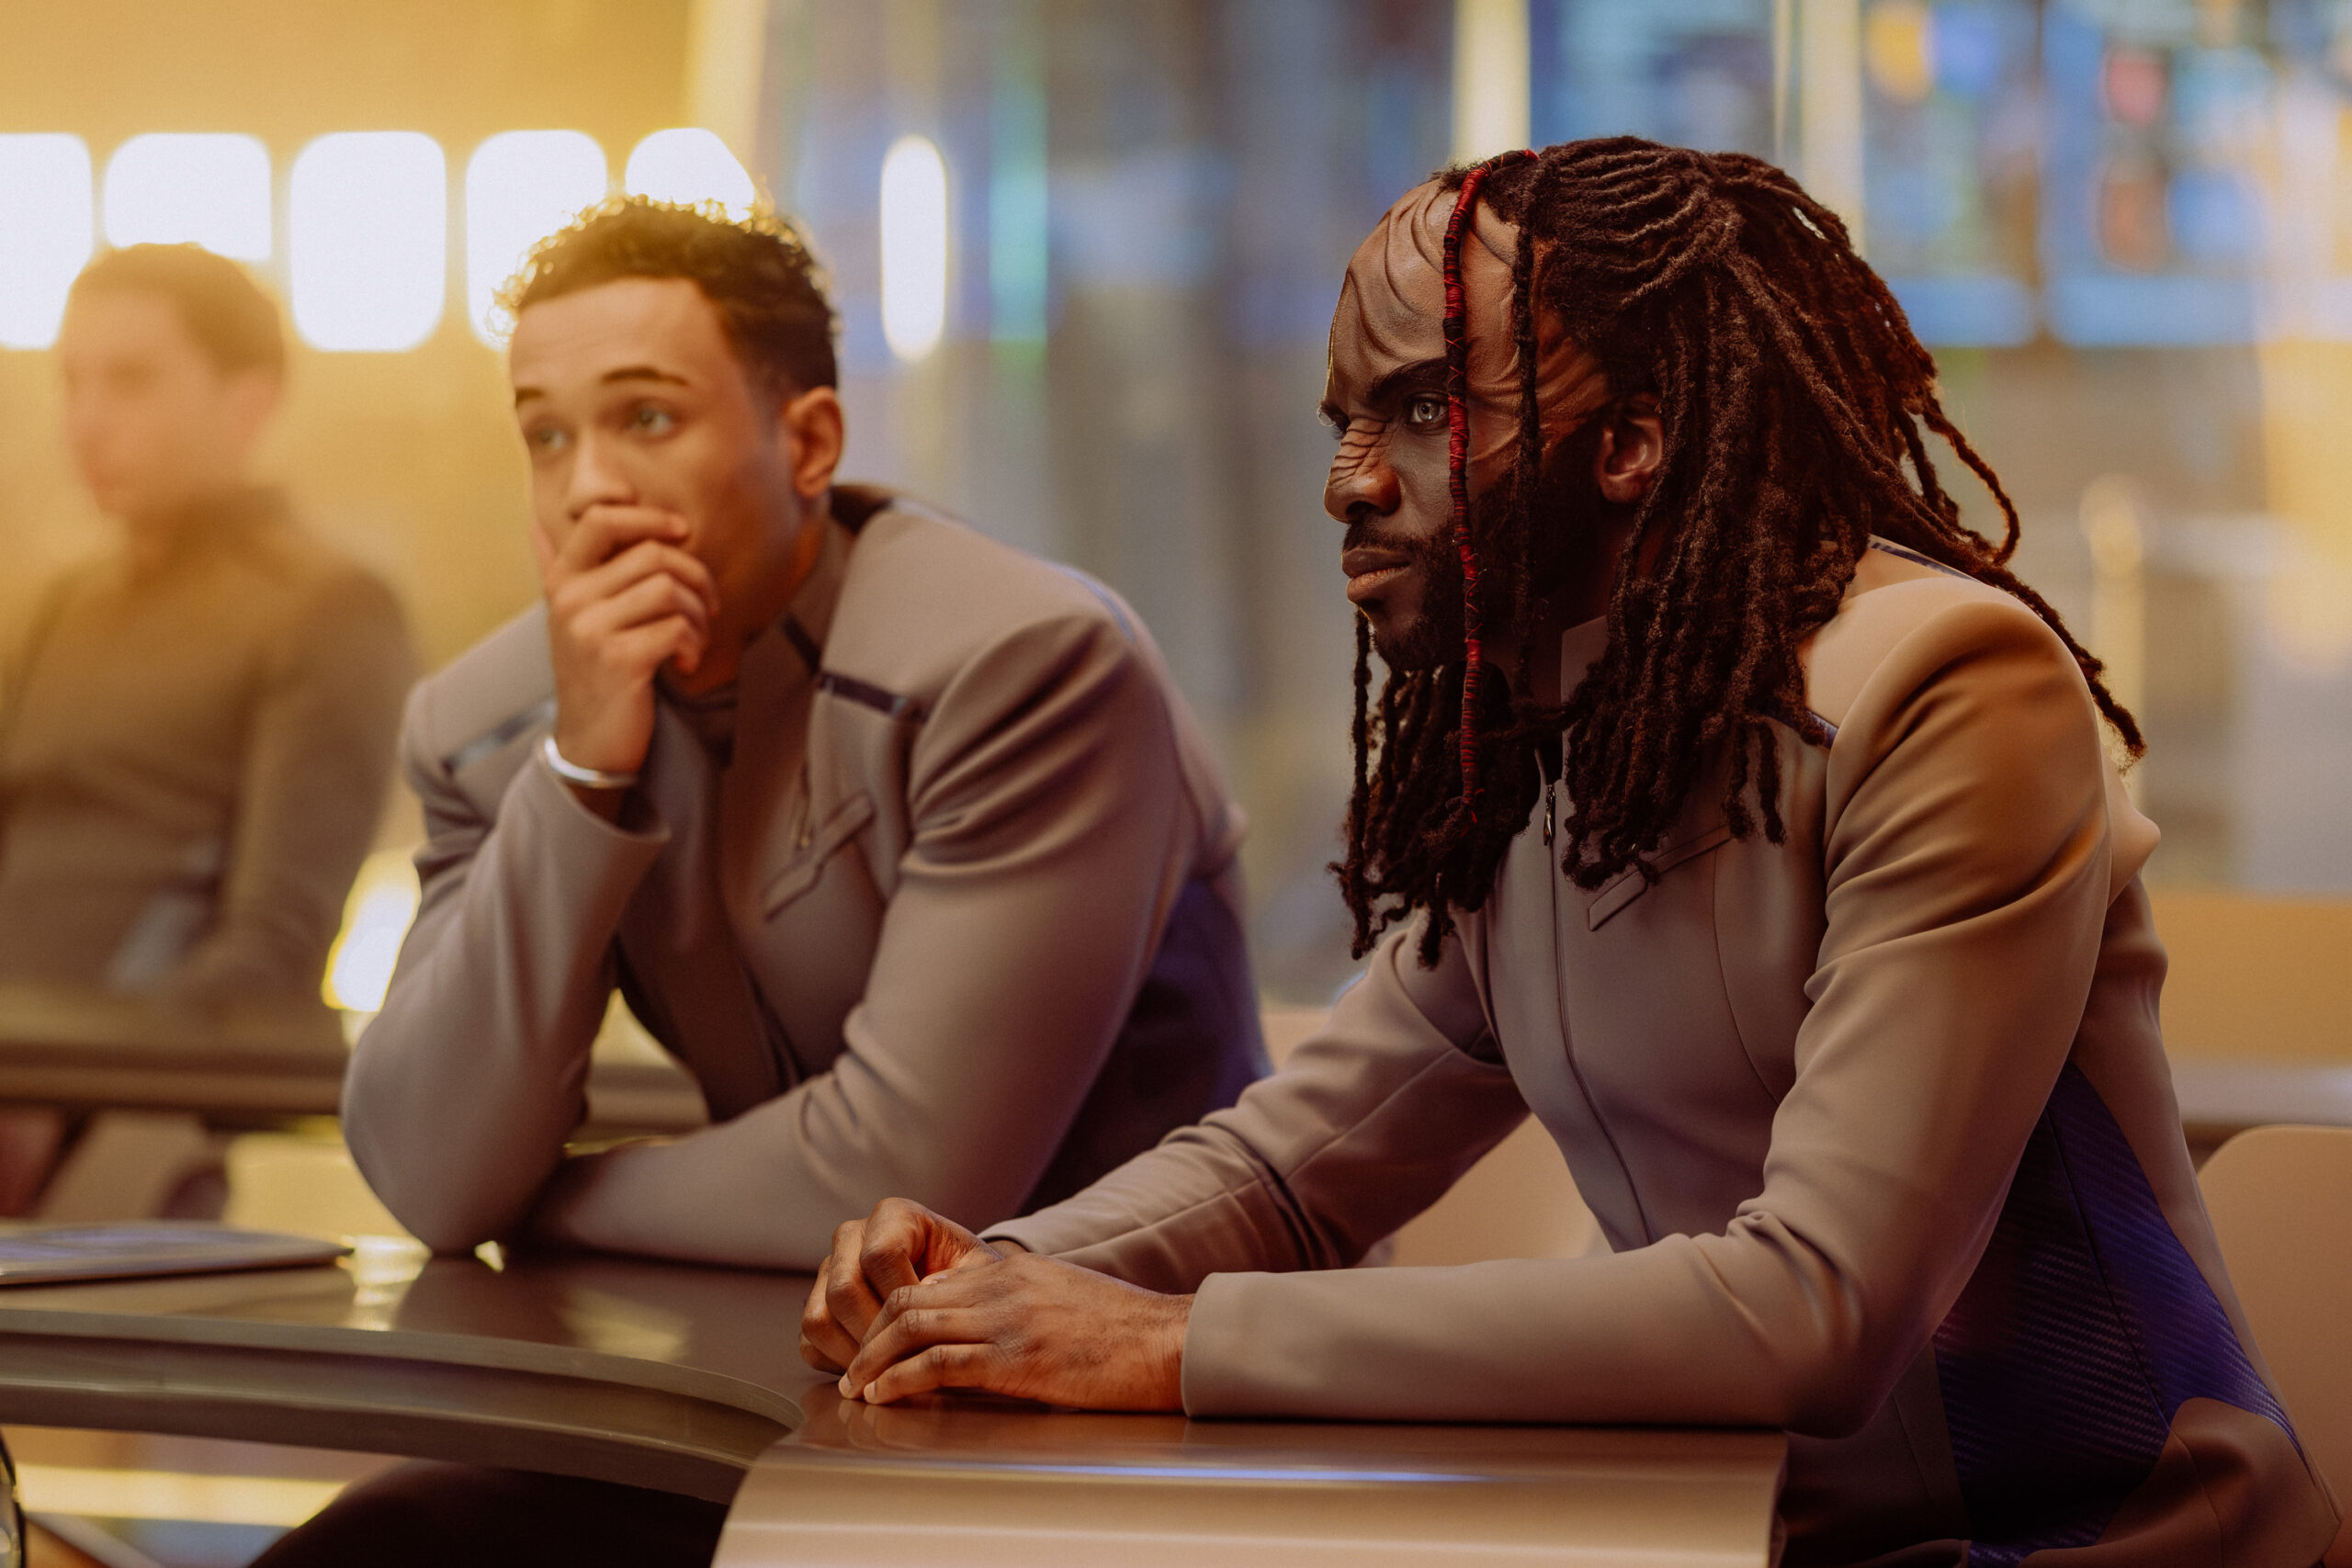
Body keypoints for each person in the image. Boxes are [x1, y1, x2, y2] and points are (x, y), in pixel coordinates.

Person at [804, 140, 2343, 1565]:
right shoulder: (1541, 729)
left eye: (1416, 409)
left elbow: (1820, 1306)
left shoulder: (1951, 691)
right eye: (1343, 420)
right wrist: (991, 1279)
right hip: (1733, 1536)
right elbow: (1293, 1164)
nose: (1348, 480)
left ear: (1631, 443)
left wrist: (1167, 1344)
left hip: (2105, 1545)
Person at [0, 244, 413, 1015]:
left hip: (156, 1100)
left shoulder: (328, 610)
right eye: (72, 381)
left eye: (131, 381)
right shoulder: (61, 607)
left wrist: (57, 1094)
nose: (84, 422)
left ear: (247, 404)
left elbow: (271, 951)